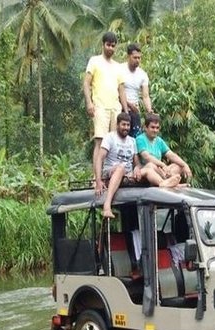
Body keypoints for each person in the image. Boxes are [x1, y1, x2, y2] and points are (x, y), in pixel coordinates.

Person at [96, 113, 178, 218]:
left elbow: (137, 163)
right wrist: (98, 180)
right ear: (117, 125)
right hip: (111, 173)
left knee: (149, 167)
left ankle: (163, 183)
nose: (126, 127)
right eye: (123, 125)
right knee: (121, 168)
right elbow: (99, 158)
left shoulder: (132, 141)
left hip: (128, 175)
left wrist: (136, 168)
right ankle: (107, 205)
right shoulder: (110, 137)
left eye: (128, 125)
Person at [84, 32, 124, 177]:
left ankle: (111, 175)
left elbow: (121, 89)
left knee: (114, 143)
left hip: (115, 108)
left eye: (113, 46)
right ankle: (96, 178)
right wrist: (89, 103)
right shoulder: (94, 61)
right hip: (100, 106)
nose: (111, 48)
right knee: (100, 142)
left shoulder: (118, 66)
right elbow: (86, 83)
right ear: (103, 45)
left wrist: (125, 109)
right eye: (108, 45)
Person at [136, 113, 192, 184]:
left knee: (178, 166)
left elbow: (171, 155)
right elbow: (147, 157)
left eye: (157, 128)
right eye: (152, 127)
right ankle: (168, 182)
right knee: (151, 165)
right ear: (145, 128)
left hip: (160, 171)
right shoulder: (140, 139)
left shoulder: (159, 140)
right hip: (146, 171)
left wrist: (185, 165)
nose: (155, 130)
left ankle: (168, 180)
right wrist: (163, 165)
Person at [119, 43, 153, 138]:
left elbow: (145, 96)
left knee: (135, 139)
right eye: (135, 57)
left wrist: (149, 110)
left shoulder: (143, 74)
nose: (137, 60)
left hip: (134, 112)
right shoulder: (119, 69)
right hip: (119, 108)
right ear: (128, 56)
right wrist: (129, 104)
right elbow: (114, 91)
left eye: (139, 58)